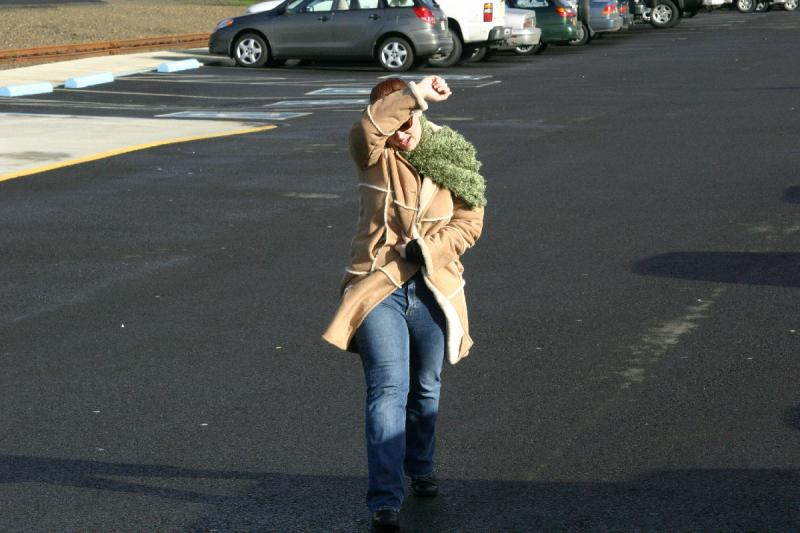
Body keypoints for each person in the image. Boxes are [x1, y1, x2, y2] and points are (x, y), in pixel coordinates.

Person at [322, 75, 486, 532]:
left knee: (426, 385)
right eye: (394, 122)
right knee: (387, 390)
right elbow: (367, 131)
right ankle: (385, 499)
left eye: (408, 121)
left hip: (434, 285)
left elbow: (470, 223)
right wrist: (412, 93)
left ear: (421, 116)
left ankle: (420, 465)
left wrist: (429, 251)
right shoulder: (373, 154)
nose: (402, 132)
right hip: (378, 287)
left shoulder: (454, 154)